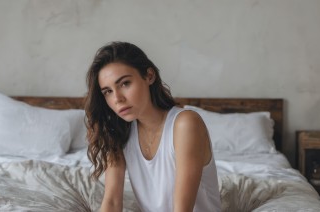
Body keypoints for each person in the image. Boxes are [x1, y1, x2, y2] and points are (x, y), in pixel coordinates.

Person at [84, 41, 221, 212]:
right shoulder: (120, 132)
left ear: (149, 76)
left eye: (125, 83)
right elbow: (111, 201)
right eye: (108, 92)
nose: (117, 98)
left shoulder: (185, 124)